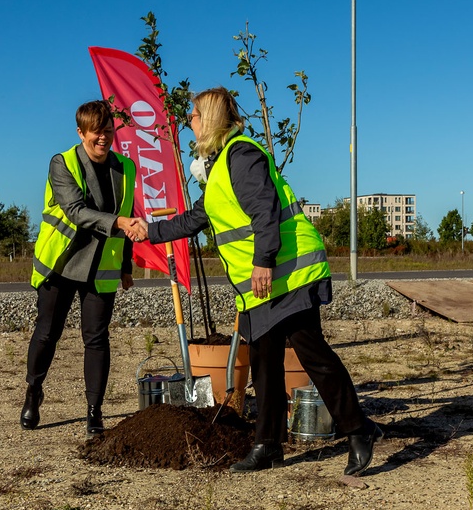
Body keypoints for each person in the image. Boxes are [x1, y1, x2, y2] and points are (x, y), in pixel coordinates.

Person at [131, 87, 383, 476]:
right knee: (264, 363)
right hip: (264, 285)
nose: (189, 123)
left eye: (194, 116)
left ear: (210, 118)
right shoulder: (218, 169)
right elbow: (197, 219)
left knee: (312, 354)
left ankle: (356, 429)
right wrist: (149, 231)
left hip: (287, 274)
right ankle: (268, 445)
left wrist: (263, 262)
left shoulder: (242, 155)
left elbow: (265, 211)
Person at [22, 100, 141, 438]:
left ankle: (94, 412)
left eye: (108, 130)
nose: (103, 138)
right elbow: (75, 210)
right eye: (96, 132)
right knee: (47, 333)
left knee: (97, 339)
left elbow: (128, 217)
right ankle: (34, 390)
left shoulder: (126, 168)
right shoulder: (62, 163)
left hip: (101, 265)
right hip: (61, 263)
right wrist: (118, 221)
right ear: (81, 132)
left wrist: (127, 265)